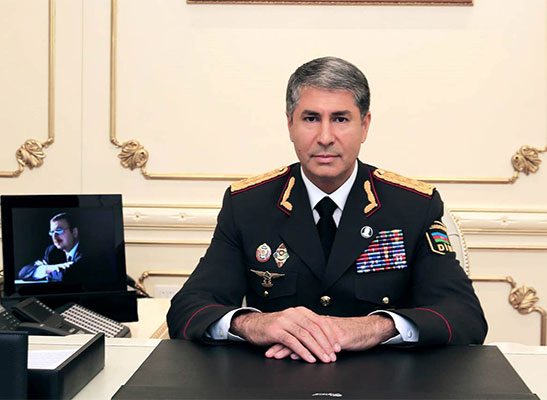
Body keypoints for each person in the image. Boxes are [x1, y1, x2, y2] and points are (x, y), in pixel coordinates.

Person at [167, 56, 487, 364]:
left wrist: (374, 327)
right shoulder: (248, 205)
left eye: (340, 119)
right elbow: (187, 308)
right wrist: (254, 324)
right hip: (274, 382)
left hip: (383, 383)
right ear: (290, 125)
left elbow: (465, 316)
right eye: (310, 118)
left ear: (365, 126)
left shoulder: (411, 206)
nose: (325, 137)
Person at [18, 213, 84, 282]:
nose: (54, 236)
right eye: (52, 232)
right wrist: (50, 268)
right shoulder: (53, 251)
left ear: (74, 232)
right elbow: (24, 273)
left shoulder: (86, 252)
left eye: (59, 230)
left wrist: (46, 273)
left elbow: (67, 275)